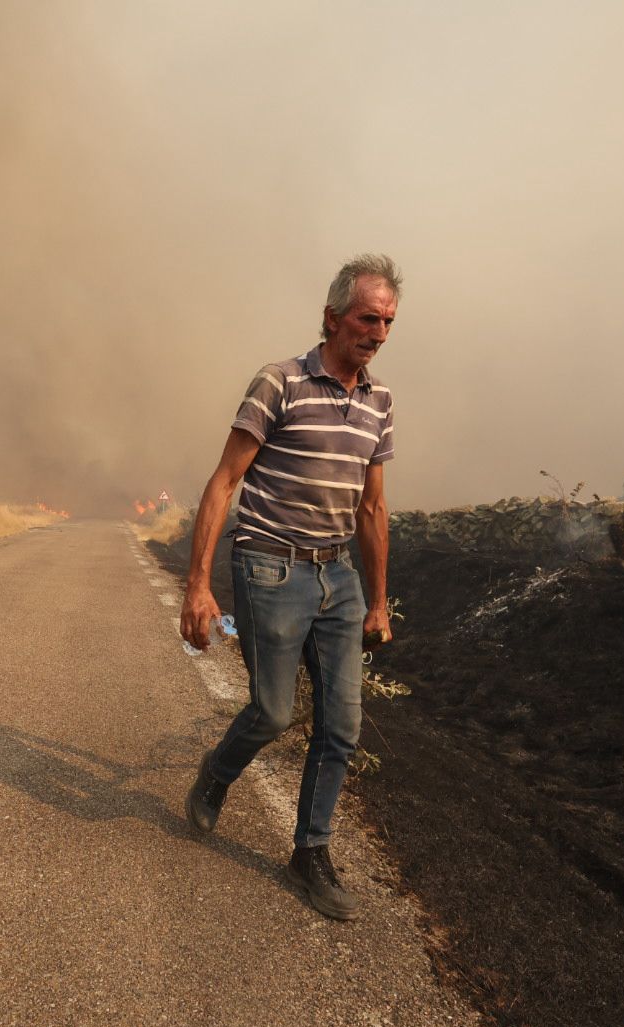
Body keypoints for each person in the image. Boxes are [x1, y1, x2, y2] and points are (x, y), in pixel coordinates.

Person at [181, 253, 399, 920]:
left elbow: (372, 509)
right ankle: (216, 775)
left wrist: (379, 600)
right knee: (273, 713)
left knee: (343, 725)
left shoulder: (380, 403)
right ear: (333, 318)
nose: (379, 332)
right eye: (368, 318)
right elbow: (224, 482)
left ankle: (311, 853)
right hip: (270, 567)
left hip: (340, 577)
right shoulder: (279, 383)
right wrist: (198, 586)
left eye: (389, 321)